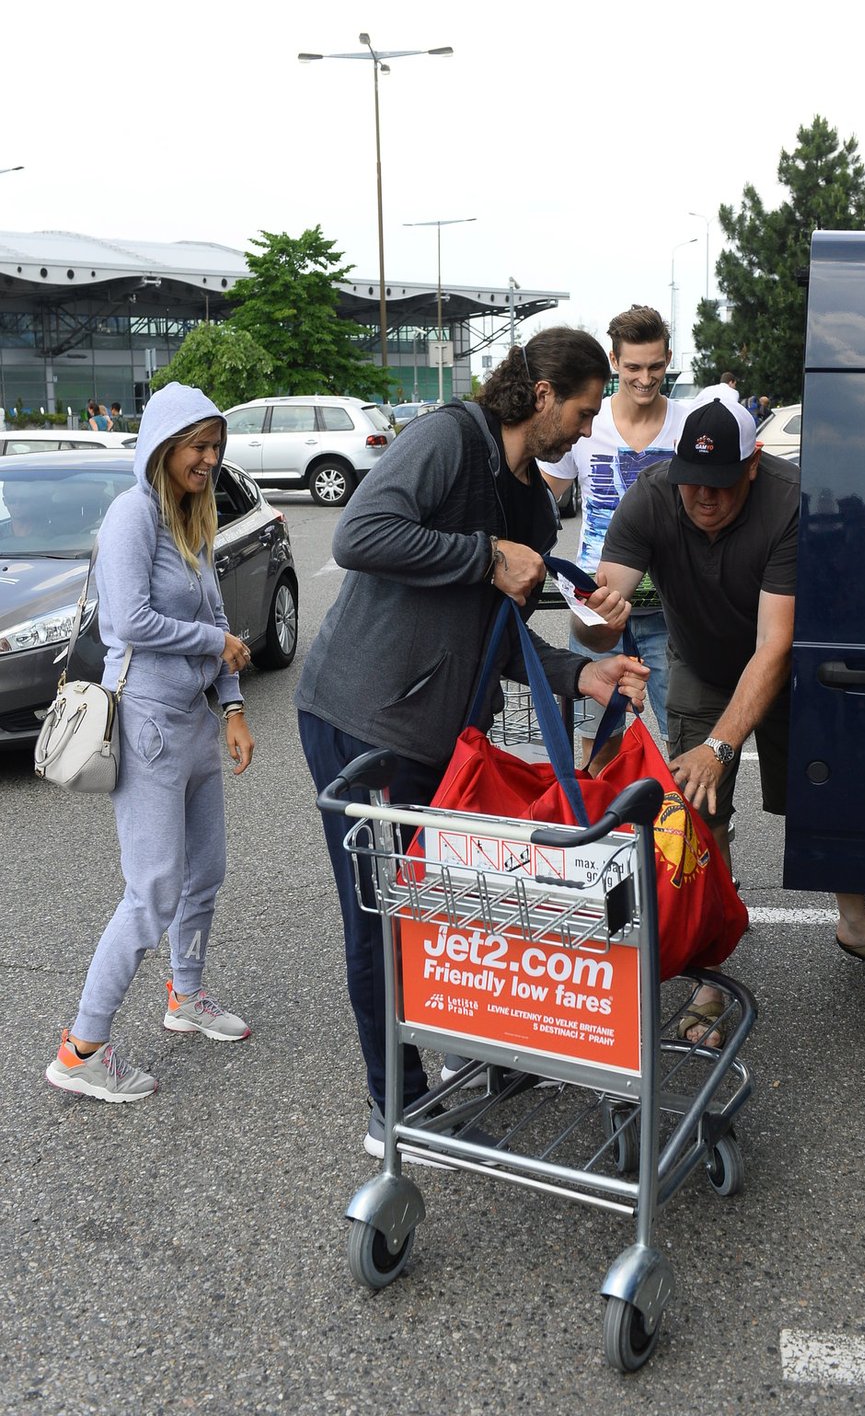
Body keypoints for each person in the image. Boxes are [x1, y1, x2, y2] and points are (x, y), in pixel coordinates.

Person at [296, 329, 649, 1157]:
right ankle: (397, 1103)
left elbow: (502, 629)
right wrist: (485, 554)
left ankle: (468, 1045)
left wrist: (578, 675)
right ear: (540, 395)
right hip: (366, 717)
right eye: (586, 410)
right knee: (380, 911)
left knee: (443, 899)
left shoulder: (530, 502)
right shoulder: (450, 439)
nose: (590, 429)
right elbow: (359, 536)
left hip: (443, 731)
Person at [583, 386, 865, 1044]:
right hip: (702, 664)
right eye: (691, 484)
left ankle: (854, 923)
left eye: (719, 484)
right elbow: (602, 610)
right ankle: (708, 974)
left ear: (752, 463)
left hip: (788, 667)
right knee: (697, 816)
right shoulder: (652, 496)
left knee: (824, 796)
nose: (702, 499)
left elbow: (774, 646)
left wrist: (723, 744)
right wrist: (597, 622)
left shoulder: (786, 500)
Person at [45, 381, 255, 1104]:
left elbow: (218, 610)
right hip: (148, 723)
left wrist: (231, 707)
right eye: (198, 446)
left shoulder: (193, 513)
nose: (209, 459)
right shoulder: (132, 514)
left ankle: (185, 996)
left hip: (195, 720)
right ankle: (82, 1046)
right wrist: (214, 642)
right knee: (153, 890)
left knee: (208, 872)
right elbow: (128, 623)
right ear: (164, 445)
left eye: (216, 446)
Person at [537, 305, 684, 764]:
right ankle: (606, 830)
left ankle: (697, 831)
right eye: (634, 367)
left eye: (656, 366)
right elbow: (539, 504)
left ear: (668, 359)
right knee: (599, 744)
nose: (645, 378)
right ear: (614, 361)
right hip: (595, 612)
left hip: (670, 613)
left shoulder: (686, 425)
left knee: (685, 737)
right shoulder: (587, 423)